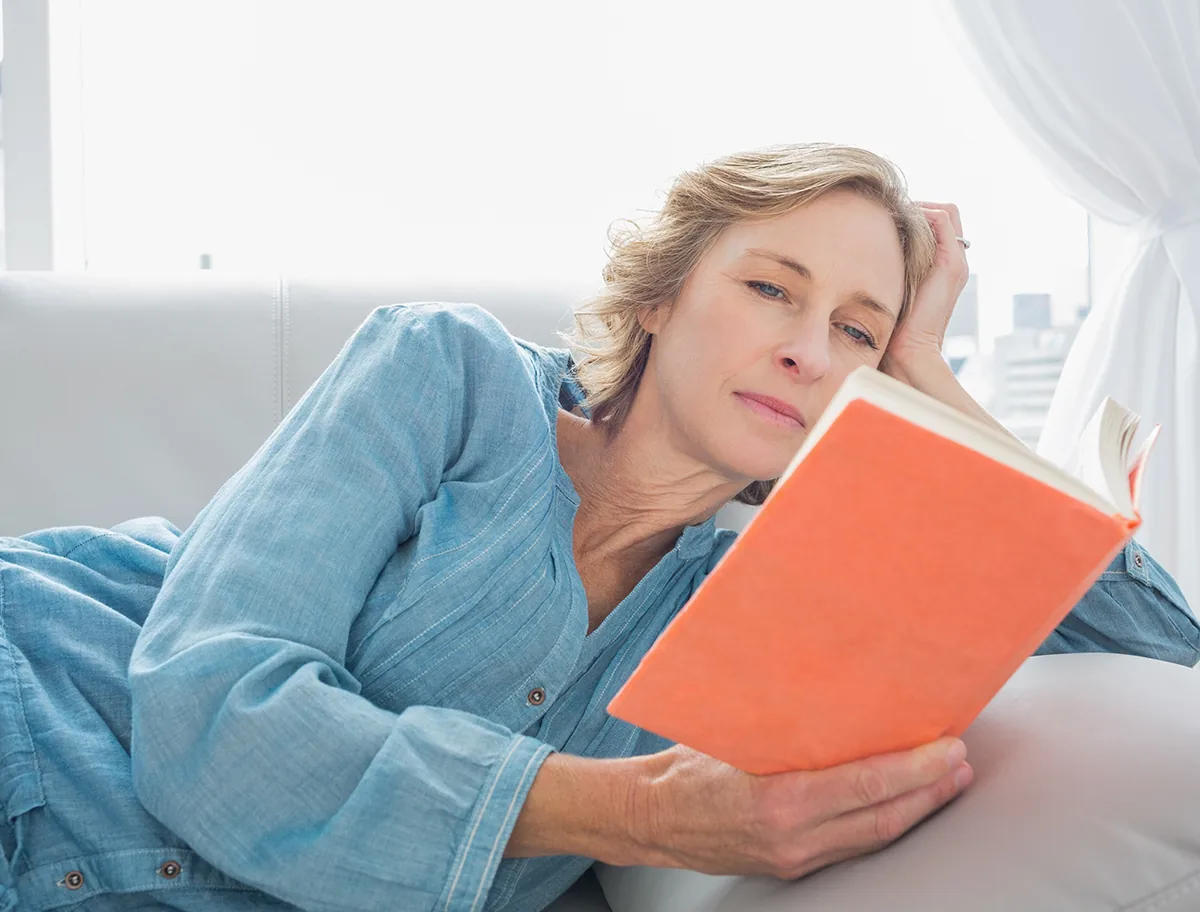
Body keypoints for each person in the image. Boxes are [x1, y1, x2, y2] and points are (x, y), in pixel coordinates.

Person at [1, 143, 1195, 912]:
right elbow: (211, 712)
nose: (807, 350)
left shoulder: (774, 604)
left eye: (856, 331)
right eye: (771, 288)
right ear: (663, 295)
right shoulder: (452, 376)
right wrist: (636, 811)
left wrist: (927, 368)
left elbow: (1164, 662)